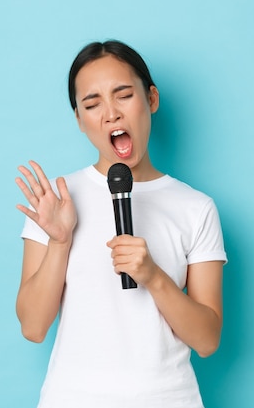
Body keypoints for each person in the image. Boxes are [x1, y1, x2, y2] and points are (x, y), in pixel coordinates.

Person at [15, 40, 227, 408]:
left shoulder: (196, 208)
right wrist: (60, 242)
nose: (110, 114)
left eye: (123, 95)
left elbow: (207, 340)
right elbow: (33, 328)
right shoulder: (56, 201)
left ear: (152, 99)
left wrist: (154, 276)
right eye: (92, 104)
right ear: (80, 121)